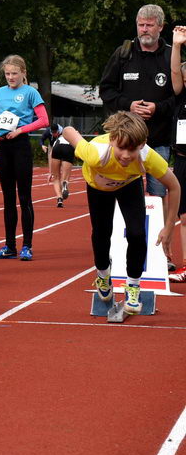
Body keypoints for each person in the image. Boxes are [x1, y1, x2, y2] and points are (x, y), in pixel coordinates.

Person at [63, 112, 179, 315]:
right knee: (101, 233)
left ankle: (133, 285)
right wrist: (65, 135)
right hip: (98, 187)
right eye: (121, 148)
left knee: (137, 233)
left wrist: (168, 228)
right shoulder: (95, 152)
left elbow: (174, 186)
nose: (126, 155)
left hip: (129, 184)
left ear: (142, 144)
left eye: (132, 149)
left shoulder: (147, 156)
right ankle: (103, 274)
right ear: (112, 141)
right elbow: (68, 130)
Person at [99, 4, 175, 201]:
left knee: (158, 196)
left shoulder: (171, 55)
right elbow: (106, 90)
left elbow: (179, 96)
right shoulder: (123, 53)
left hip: (159, 139)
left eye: (149, 25)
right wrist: (128, 105)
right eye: (141, 25)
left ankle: (160, 223)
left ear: (161, 26)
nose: (144, 29)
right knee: (124, 195)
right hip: (125, 141)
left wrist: (158, 108)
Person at [0, 55, 48, 261]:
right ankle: (9, 246)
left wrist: (20, 130)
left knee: (24, 197)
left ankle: (27, 246)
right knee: (8, 198)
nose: (11, 77)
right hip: (4, 146)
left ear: (23, 73)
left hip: (21, 146)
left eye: (14, 73)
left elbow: (44, 120)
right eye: (7, 74)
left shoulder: (31, 92)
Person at [165, 24, 186, 280]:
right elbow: (174, 71)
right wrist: (177, 44)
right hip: (182, 160)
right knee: (184, 214)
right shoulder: (181, 96)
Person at [41, 123, 75, 208]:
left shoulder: (57, 139)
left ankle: (59, 198)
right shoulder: (71, 135)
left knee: (56, 177)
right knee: (65, 176)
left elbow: (50, 154)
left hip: (57, 148)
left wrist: (50, 172)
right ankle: (65, 183)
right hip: (69, 148)